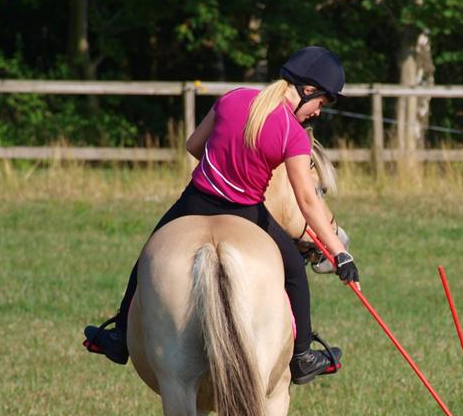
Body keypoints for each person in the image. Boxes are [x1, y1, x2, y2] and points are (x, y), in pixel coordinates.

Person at [83, 46, 358, 385]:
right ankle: (302, 357)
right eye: (321, 103)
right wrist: (339, 253)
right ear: (308, 90)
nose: (317, 113)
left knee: (147, 259)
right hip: (246, 213)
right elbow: (307, 199)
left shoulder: (233, 98)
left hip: (195, 201)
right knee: (294, 276)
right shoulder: (293, 134)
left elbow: (193, 146)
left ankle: (118, 337)